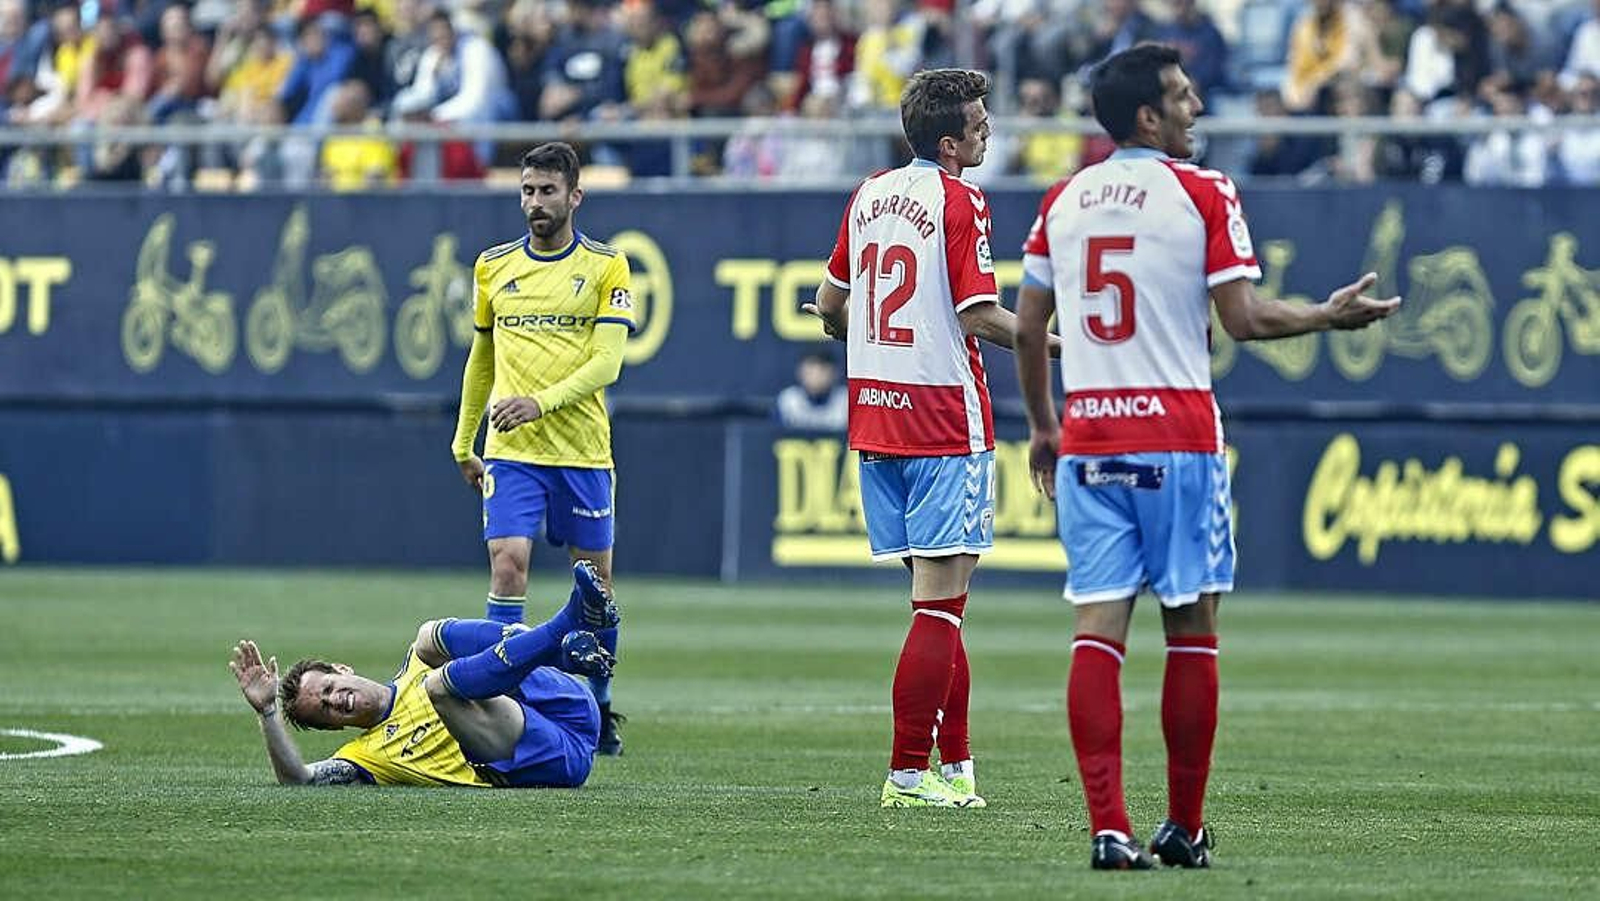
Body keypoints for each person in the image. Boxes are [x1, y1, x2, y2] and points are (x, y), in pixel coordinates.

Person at [1011, 44, 1400, 870]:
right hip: (1177, 440)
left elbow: (1025, 323)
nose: (1197, 109)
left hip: (1091, 441)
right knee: (1190, 627)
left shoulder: (1063, 199)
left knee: (1097, 632)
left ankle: (1108, 830)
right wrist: (1330, 318)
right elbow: (1245, 319)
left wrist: (1045, 423)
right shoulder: (1202, 191)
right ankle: (1183, 826)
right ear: (1149, 116)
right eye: (1184, 98)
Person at [805, 68, 1058, 809]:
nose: (988, 132)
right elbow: (981, 315)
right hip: (944, 417)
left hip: (878, 416)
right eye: (979, 124)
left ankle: (958, 766)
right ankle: (909, 775)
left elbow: (829, 304)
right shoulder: (960, 199)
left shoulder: (869, 193)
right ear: (950, 144)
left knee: (942, 603)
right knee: (940, 606)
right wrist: (1059, 344)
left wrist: (859, 332)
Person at [451, 141, 634, 756]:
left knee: (596, 586)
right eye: (528, 191)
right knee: (508, 565)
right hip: (512, 451)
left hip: (582, 452)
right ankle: (508, 701)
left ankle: (600, 708)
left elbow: (606, 363)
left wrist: (540, 401)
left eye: (548, 191)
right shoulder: (492, 266)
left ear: (574, 196)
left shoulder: (608, 267)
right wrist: (463, 440)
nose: (535, 202)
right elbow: (483, 358)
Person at [228, 562, 619, 787]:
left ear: (343, 669)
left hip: (570, 703)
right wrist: (266, 713)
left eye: (329, 687)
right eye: (326, 710)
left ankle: (562, 652)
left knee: (427, 637)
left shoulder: (416, 662)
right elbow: (299, 780)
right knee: (438, 688)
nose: (336, 700)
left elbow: (432, 649)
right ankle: (564, 630)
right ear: (334, 729)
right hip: (548, 757)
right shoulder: (366, 756)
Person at [774, 348, 847, 431]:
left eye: (822, 369)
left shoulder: (845, 400)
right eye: (811, 369)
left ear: (835, 373)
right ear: (800, 371)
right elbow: (774, 435)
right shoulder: (788, 400)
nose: (816, 375)